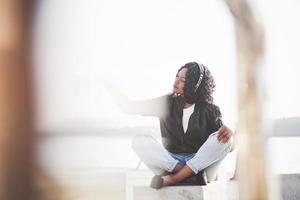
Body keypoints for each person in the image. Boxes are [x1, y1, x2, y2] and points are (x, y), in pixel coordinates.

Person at [106, 62, 234, 189]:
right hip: (173, 163)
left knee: (224, 139)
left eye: (183, 80)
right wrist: (108, 84)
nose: (176, 82)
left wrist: (230, 130)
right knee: (139, 141)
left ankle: (174, 178)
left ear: (194, 85)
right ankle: (188, 175)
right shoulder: (166, 103)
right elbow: (129, 107)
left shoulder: (210, 109)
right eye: (177, 77)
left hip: (201, 166)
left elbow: (224, 146)